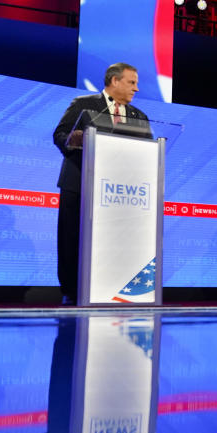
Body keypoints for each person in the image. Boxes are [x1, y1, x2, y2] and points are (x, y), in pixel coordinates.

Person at [52, 63, 151, 305]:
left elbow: (150, 151)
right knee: (72, 239)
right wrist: (75, 139)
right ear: (114, 81)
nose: (136, 89)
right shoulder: (83, 104)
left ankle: (114, 289)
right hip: (81, 186)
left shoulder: (138, 116)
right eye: (131, 82)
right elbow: (60, 135)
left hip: (121, 193)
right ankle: (71, 292)